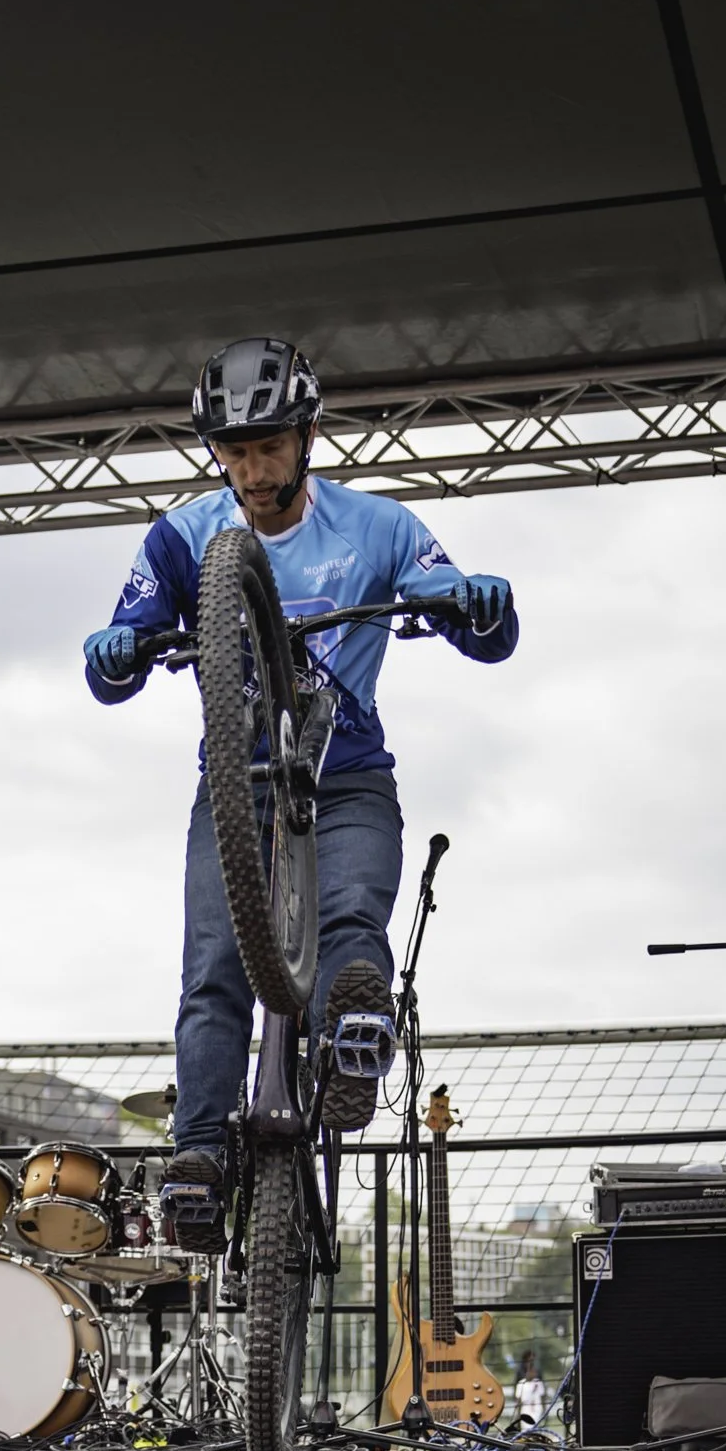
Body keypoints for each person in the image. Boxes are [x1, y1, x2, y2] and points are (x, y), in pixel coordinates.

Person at [82, 335, 518, 1245]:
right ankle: (198, 1155)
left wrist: (480, 602)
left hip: (346, 774)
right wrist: (114, 648)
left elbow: (468, 624)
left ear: (309, 432)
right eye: (234, 452)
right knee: (212, 972)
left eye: (269, 446)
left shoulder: (378, 528)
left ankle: (352, 1028)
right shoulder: (185, 536)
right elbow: (121, 654)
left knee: (352, 916)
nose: (251, 468)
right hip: (234, 788)